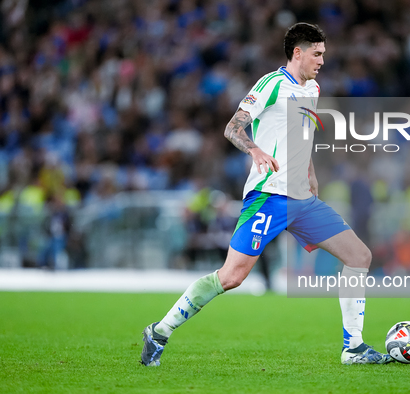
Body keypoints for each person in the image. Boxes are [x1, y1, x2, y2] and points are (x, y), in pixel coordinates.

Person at [140, 23, 392, 366]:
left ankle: (354, 348)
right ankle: (159, 331)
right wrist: (255, 151)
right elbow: (233, 127)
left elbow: (303, 137)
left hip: (303, 200)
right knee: (232, 277)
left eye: (324, 54)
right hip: (268, 195)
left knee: (359, 256)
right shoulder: (272, 85)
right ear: (297, 53)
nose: (322, 60)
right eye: (316, 54)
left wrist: (311, 175)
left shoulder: (313, 88)